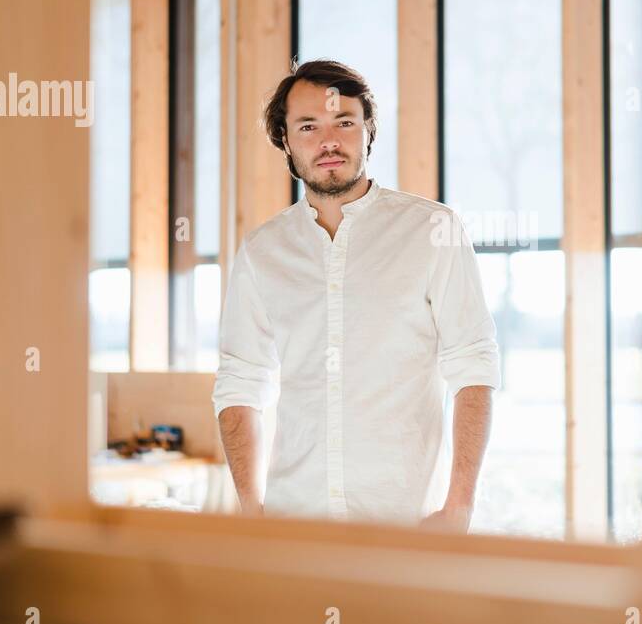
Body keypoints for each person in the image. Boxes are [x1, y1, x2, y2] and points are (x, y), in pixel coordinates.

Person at [212, 59, 499, 533]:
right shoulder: (262, 251)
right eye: (309, 126)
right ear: (285, 140)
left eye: (344, 121)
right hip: (294, 526)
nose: (329, 141)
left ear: (368, 131)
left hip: (408, 526)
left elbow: (474, 366)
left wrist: (460, 507)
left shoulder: (434, 230)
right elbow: (240, 381)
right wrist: (251, 509)